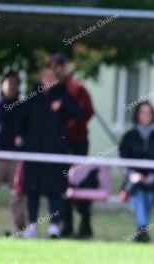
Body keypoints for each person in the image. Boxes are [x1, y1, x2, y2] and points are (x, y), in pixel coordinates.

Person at [17, 67, 83, 238]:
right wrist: (18, 136)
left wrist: (63, 106)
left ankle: (54, 226)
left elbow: (79, 114)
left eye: (52, 76)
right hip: (34, 152)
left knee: (55, 191)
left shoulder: (62, 96)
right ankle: (32, 226)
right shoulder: (33, 98)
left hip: (55, 153)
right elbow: (19, 119)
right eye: (45, 76)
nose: (48, 79)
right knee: (33, 191)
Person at [51, 53, 96, 239]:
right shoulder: (49, 89)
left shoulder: (76, 89)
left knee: (79, 183)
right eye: (55, 66)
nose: (58, 69)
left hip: (76, 144)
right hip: (58, 145)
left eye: (61, 65)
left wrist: (66, 114)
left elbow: (86, 112)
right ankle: (66, 225)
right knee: (61, 185)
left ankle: (85, 225)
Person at [119, 101, 154, 242]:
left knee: (149, 192)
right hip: (134, 180)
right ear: (137, 115)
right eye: (143, 112)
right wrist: (134, 175)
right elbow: (123, 160)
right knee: (138, 191)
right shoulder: (129, 137)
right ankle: (143, 228)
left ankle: (141, 228)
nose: (146, 115)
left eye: (149, 112)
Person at [0, 71, 26, 235]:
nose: (10, 86)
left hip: (15, 158)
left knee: (17, 194)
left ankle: (19, 228)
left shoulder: (22, 108)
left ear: (18, 87)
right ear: (2, 85)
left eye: (14, 83)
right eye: (8, 82)